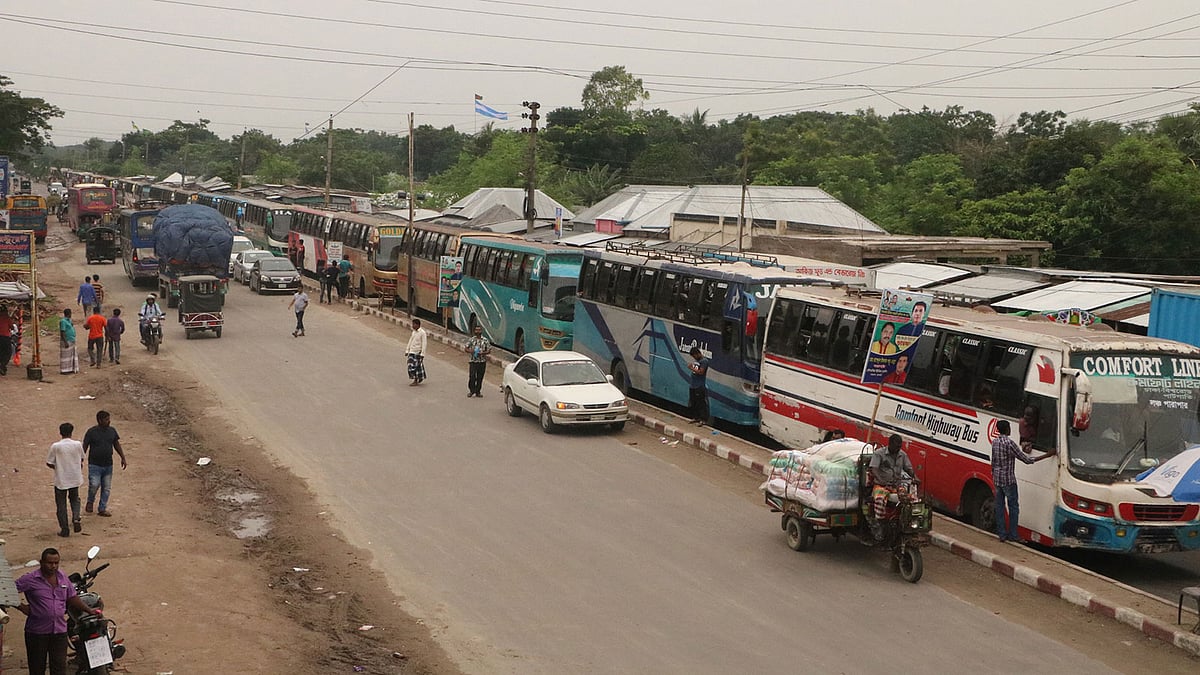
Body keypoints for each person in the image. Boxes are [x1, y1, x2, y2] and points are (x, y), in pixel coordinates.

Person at [16, 548, 99, 675]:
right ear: (41, 562)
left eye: (56, 563)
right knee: (37, 669)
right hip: (37, 633)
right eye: (50, 563)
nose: (53, 566)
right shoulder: (30, 579)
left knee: (59, 669)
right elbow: (6, 591)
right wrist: (21, 607)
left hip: (59, 632)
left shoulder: (62, 577)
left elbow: (72, 597)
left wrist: (88, 610)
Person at [991, 419, 1055, 542]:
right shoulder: (1009, 443)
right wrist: (1047, 455)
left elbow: (993, 461)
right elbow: (1026, 460)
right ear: (1007, 429)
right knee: (1013, 507)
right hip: (1008, 480)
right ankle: (1013, 535)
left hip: (997, 479)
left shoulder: (995, 442)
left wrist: (994, 475)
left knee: (999, 506)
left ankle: (1002, 534)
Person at [868, 434, 916, 540]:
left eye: (899, 447)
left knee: (909, 499)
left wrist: (915, 477)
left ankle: (907, 524)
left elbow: (908, 468)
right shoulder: (879, 454)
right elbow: (873, 468)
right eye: (896, 447)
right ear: (889, 444)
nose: (897, 449)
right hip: (881, 486)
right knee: (880, 500)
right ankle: (879, 525)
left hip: (896, 486)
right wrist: (880, 479)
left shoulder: (902, 455)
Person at [83, 410, 128, 517]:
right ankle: (90, 501)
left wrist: (123, 457)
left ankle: (102, 508)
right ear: (99, 420)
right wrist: (80, 459)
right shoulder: (91, 432)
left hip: (108, 464)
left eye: (109, 419)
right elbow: (84, 446)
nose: (109, 421)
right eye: (106, 419)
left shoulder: (112, 431)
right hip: (94, 464)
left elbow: (116, 444)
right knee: (94, 484)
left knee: (106, 488)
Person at [47, 422, 85, 537]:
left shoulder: (56, 446)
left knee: (61, 504)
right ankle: (76, 518)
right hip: (75, 477)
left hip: (61, 479)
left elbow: (49, 462)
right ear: (71, 432)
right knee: (75, 499)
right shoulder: (78, 444)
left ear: (60, 432)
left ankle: (64, 528)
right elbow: (82, 458)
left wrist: (58, 467)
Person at [465, 324, 491, 397]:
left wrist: (483, 353)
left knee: (480, 377)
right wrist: (471, 351)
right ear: (474, 331)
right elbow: (466, 348)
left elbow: (489, 350)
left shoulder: (485, 340)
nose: (478, 331)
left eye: (479, 330)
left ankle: (478, 392)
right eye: (476, 330)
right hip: (473, 361)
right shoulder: (472, 340)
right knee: (472, 376)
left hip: (482, 362)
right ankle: (471, 390)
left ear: (481, 331)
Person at [687, 346, 710, 426]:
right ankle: (695, 417)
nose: (694, 357)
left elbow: (701, 372)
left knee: (701, 403)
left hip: (699, 386)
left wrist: (691, 368)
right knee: (693, 402)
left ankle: (703, 419)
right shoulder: (697, 361)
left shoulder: (704, 361)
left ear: (697, 354)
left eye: (694, 356)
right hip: (693, 385)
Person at [406, 319, 428, 385]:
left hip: (418, 352)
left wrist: (422, 354)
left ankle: (416, 380)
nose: (413, 326)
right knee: (410, 366)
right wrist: (407, 350)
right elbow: (410, 341)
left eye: (414, 324)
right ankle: (419, 377)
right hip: (412, 352)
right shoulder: (413, 332)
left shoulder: (422, 333)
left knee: (417, 367)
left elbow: (424, 343)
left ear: (418, 325)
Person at [58, 309, 78, 375]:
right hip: (66, 340)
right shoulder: (63, 321)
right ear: (69, 314)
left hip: (71, 339)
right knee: (65, 356)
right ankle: (64, 370)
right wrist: (65, 341)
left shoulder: (69, 320)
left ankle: (70, 368)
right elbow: (62, 332)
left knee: (71, 355)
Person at [0, 305, 14, 376]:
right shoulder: (6, 318)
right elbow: (12, 327)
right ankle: (2, 365)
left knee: (1, 351)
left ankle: (1, 364)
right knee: (8, 352)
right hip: (5, 337)